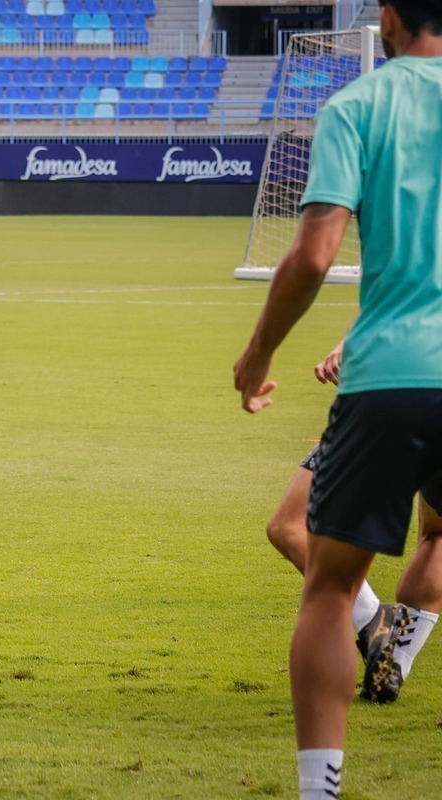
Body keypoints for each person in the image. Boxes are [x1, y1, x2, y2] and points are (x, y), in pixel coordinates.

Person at [233, 2, 442, 796]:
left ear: (386, 18)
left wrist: (259, 354)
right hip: (391, 360)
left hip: (390, 373)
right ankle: (398, 645)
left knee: (326, 585)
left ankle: (321, 788)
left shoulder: (358, 106)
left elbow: (315, 254)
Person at [265, 340, 439, 704]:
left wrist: (352, 342)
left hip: (399, 398)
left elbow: (405, 294)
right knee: (438, 534)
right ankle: (393, 663)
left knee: (291, 525)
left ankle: (373, 619)